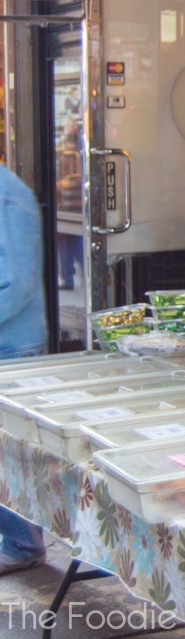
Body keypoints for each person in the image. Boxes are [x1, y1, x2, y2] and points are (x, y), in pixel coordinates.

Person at [0, 163, 49, 574]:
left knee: (10, 454)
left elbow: (16, 284)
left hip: (12, 344)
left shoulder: (8, 195)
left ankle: (22, 542)